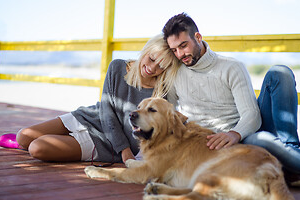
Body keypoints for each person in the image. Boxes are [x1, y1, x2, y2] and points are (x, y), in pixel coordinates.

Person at [163, 12, 300, 186]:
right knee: (263, 140)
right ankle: (296, 167)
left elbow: (251, 114)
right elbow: (167, 113)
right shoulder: (175, 74)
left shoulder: (231, 67)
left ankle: (292, 154)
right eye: (174, 50)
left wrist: (235, 133)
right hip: (212, 145)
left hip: (242, 133)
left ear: (198, 37)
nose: (180, 54)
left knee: (280, 73)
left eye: (183, 46)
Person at [16, 34, 180, 164]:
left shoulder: (162, 92)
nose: (152, 68)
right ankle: (65, 139)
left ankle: (67, 142)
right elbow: (107, 110)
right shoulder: (117, 67)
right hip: (91, 117)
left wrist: (124, 151)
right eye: (151, 59)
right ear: (146, 50)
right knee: (22, 137)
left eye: (161, 66)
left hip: (105, 144)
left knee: (37, 148)